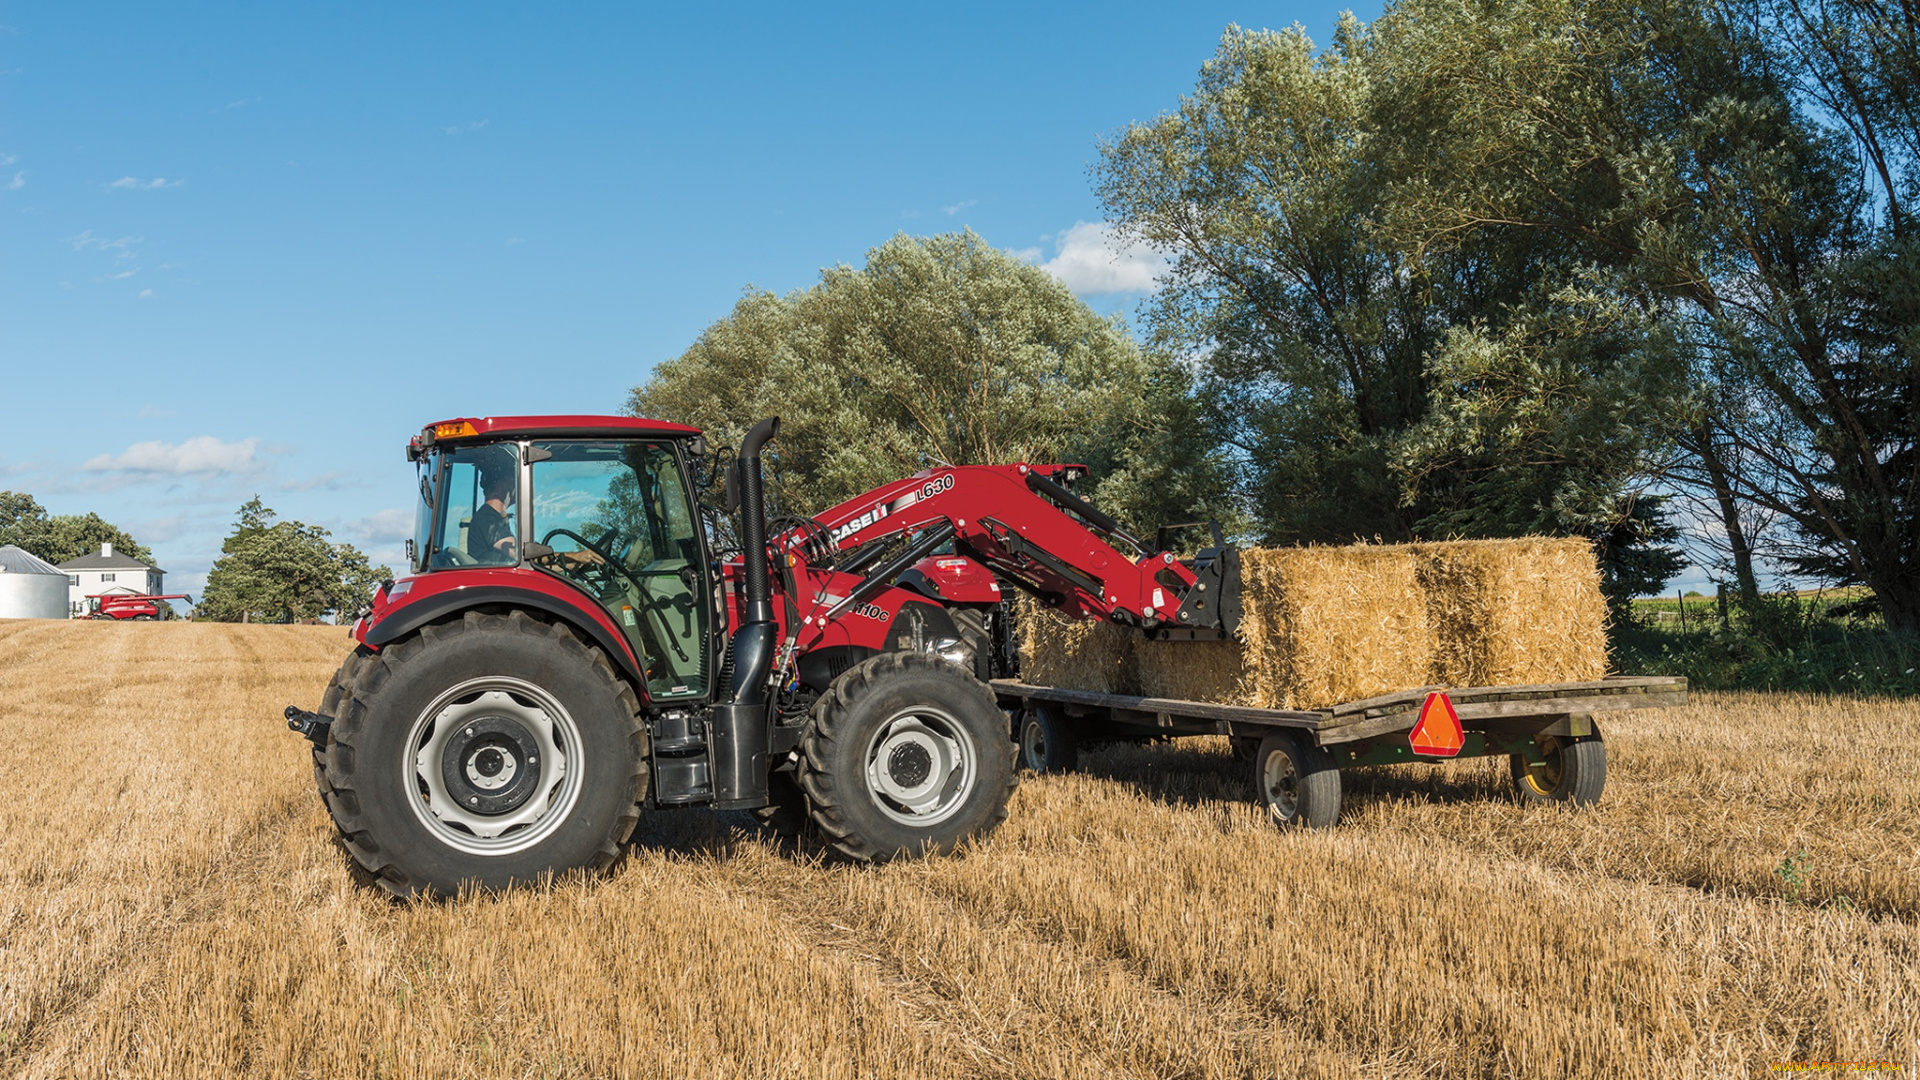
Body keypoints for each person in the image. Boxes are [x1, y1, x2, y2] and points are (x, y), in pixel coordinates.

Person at [467, 465, 517, 563]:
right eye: (513, 482)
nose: (517, 487)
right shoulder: (488, 519)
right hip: (492, 577)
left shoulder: (494, 517)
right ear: (500, 486)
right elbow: (517, 552)